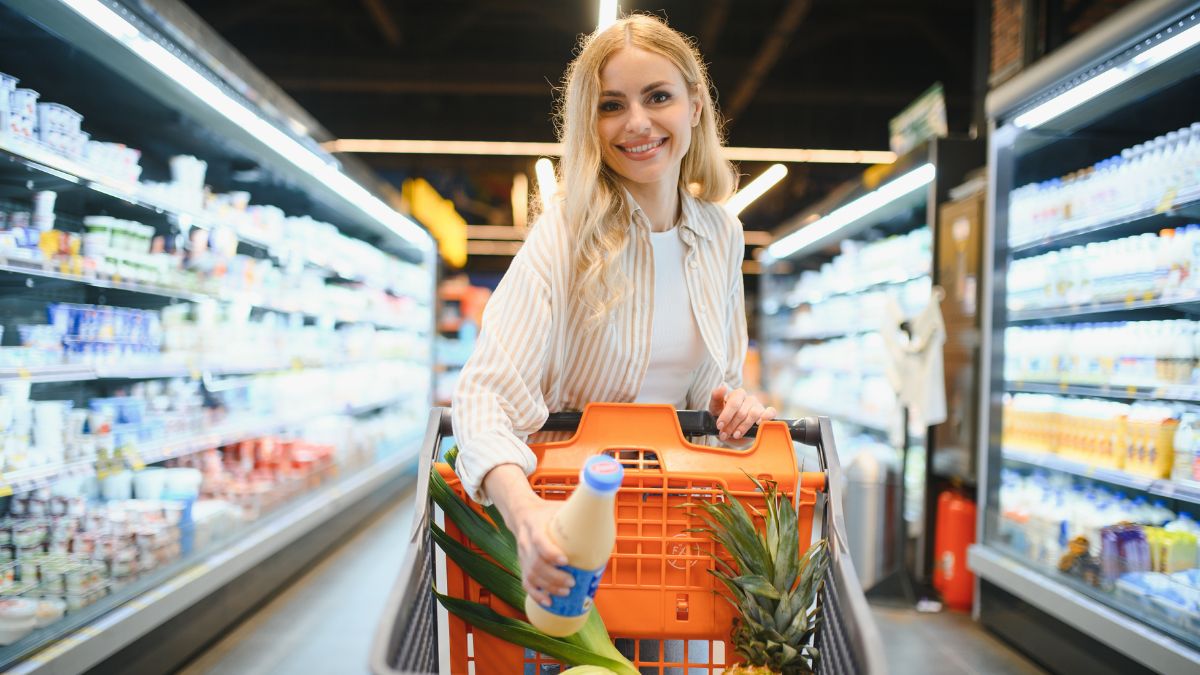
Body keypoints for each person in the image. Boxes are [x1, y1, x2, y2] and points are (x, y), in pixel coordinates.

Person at [452, 14, 775, 611]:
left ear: (696, 105)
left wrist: (731, 407)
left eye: (658, 97)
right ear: (590, 124)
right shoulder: (565, 234)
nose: (637, 123)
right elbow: (482, 398)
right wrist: (527, 521)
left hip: (673, 534)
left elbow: (714, 386)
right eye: (611, 106)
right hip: (565, 528)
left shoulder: (721, 235)